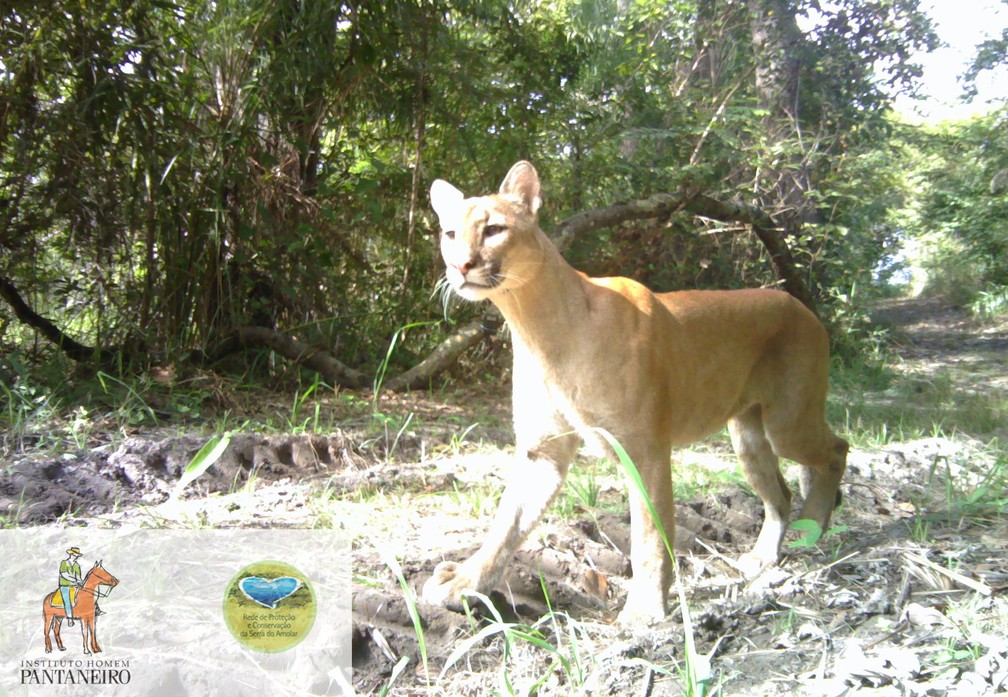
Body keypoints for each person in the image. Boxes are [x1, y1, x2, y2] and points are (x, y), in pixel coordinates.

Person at [59, 547, 83, 626]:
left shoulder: (77, 565)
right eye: (75, 555)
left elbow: (79, 576)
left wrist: (80, 582)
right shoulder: (64, 563)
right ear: (71, 554)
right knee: (67, 601)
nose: (76, 556)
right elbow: (64, 574)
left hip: (74, 586)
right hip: (65, 585)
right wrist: (74, 581)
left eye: (77, 555)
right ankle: (70, 618)